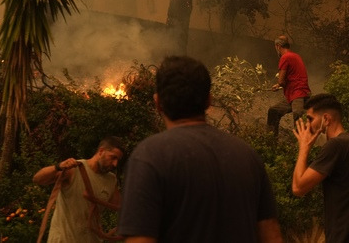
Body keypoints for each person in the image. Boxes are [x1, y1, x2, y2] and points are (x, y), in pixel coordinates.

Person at [118, 55, 282, 243]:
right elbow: (272, 236)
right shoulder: (247, 155)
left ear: (157, 103)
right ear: (209, 101)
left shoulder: (149, 157)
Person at [292, 93, 349, 243]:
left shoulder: (336, 145)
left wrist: (303, 147)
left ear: (326, 119)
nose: (308, 126)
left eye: (310, 119)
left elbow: (298, 187)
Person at [33, 136, 125, 242]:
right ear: (101, 151)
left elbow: (120, 207)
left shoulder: (111, 180)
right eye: (113, 157)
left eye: (118, 160)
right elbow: (37, 179)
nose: (115, 164)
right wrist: (58, 167)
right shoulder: (74, 169)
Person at [267, 35, 310, 136]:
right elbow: (291, 78)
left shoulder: (285, 57)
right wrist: (279, 85)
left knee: (298, 119)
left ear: (278, 46)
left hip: (298, 94)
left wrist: (278, 85)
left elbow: (281, 81)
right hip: (295, 95)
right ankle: (270, 141)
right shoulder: (296, 56)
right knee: (274, 111)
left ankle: (302, 147)